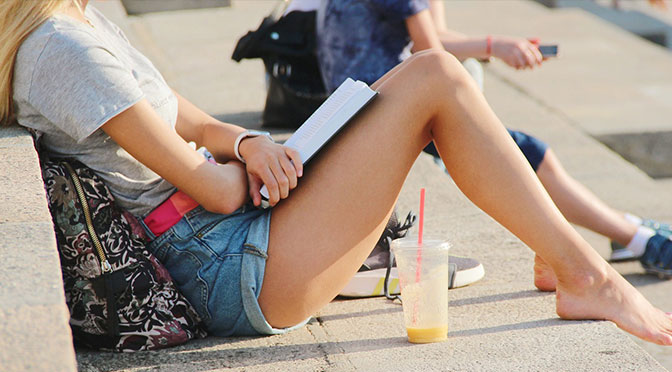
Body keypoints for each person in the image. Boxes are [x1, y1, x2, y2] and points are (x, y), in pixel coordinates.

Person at [3, 0, 672, 345]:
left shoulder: (79, 22)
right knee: (434, 78)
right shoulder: (63, 52)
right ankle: (585, 274)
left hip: (234, 228)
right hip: (228, 265)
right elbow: (216, 186)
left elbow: (203, 127)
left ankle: (574, 266)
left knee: (427, 78)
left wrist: (254, 145)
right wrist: (260, 159)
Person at [315, 0, 672, 286]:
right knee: (522, 153)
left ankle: (629, 232)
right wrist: (494, 47)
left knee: (526, 150)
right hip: (380, 116)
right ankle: (636, 239)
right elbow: (431, 51)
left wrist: (500, 46)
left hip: (368, 104)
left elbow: (431, 36)